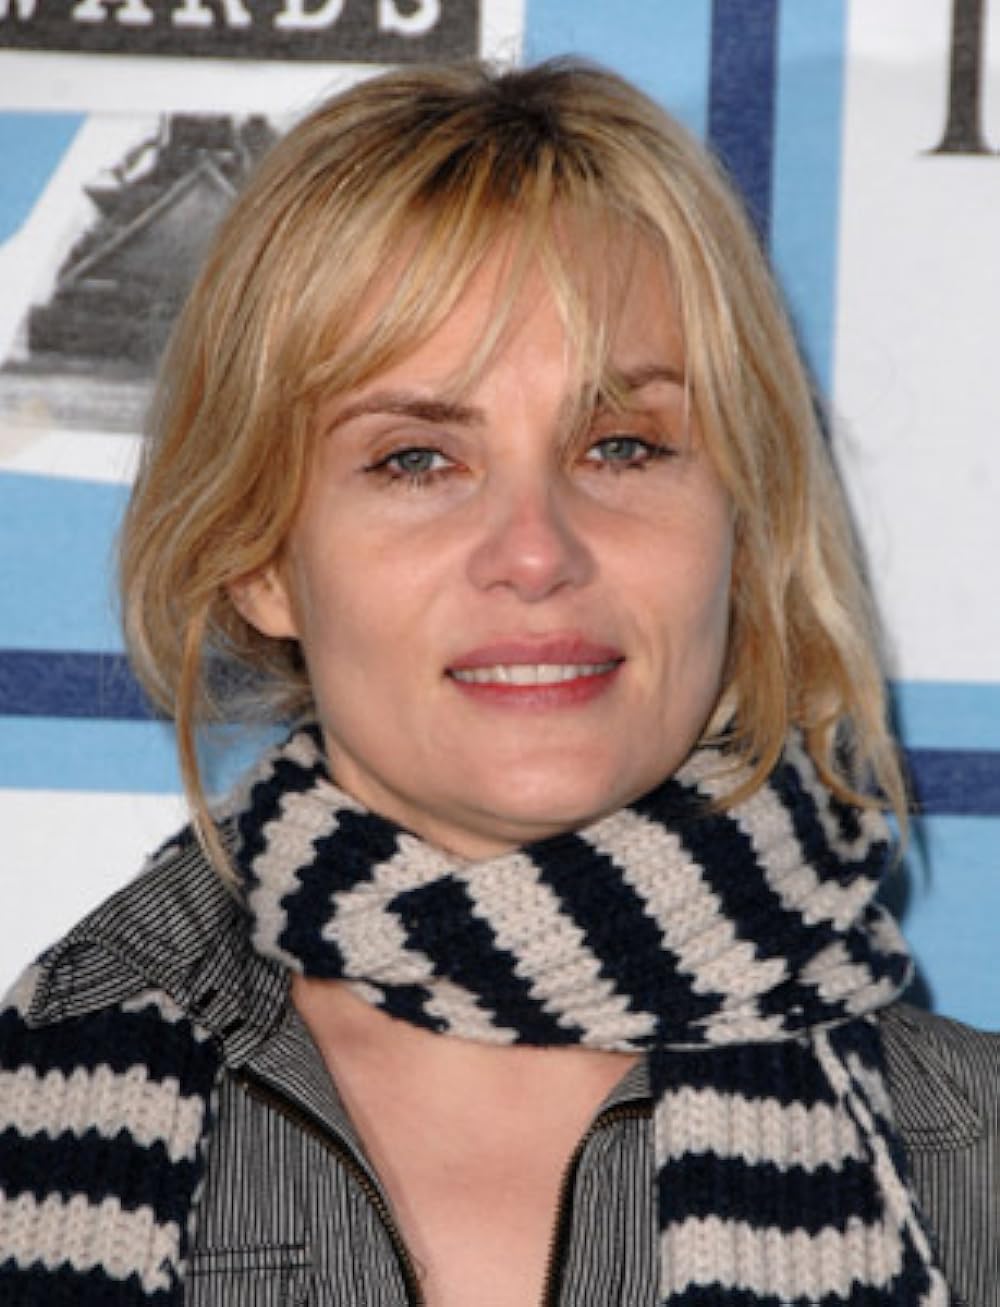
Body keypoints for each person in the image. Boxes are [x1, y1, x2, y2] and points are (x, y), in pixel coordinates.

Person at [0, 58, 996, 1307]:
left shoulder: (975, 1161)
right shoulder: (36, 1111)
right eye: (417, 458)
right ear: (259, 556)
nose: (535, 551)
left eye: (620, 445)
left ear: (741, 529)